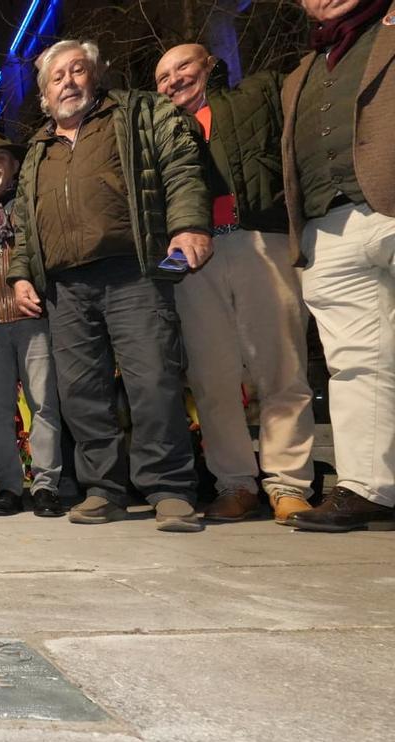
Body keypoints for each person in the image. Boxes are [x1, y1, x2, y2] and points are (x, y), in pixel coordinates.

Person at [8, 39, 212, 532]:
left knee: (153, 381)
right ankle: (104, 489)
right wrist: (20, 274)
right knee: (81, 392)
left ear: (95, 75)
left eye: (77, 71)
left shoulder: (138, 112)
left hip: (133, 272)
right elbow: (25, 221)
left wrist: (189, 224)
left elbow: (180, 167)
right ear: (44, 95)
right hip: (65, 287)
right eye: (56, 78)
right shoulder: (37, 149)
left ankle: (169, 489)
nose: (68, 83)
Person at [154, 43, 316, 524]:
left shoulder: (256, 95)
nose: (173, 80)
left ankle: (288, 484)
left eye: (183, 66)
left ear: (210, 65)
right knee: (211, 379)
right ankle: (235, 484)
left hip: (259, 241)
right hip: (192, 260)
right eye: (162, 76)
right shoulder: (158, 130)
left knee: (281, 367)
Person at [280, 0, 395, 533]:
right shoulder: (301, 72)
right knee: (355, 362)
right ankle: (368, 488)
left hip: (388, 204)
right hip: (328, 224)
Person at [0, 132, 64, 517]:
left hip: (33, 318)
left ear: (16, 165)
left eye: (0, 159)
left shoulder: (31, 203)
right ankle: (8, 485)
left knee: (43, 404)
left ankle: (46, 485)